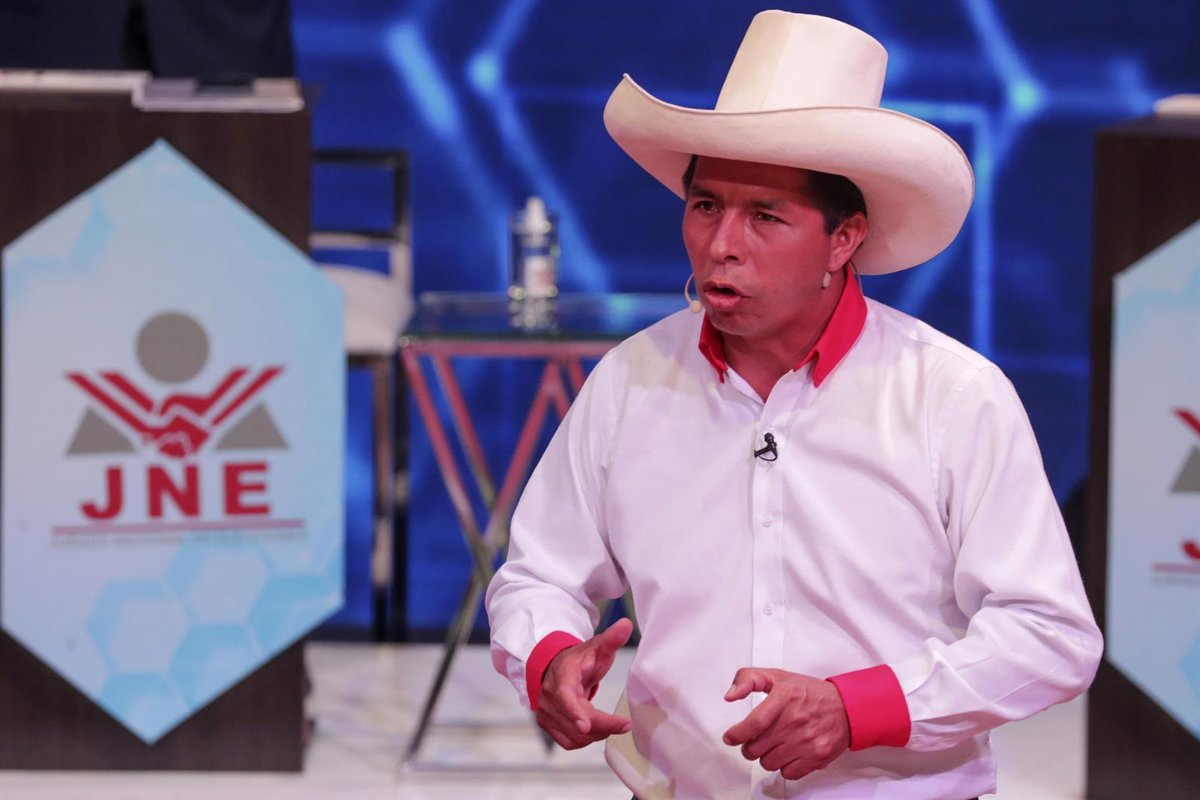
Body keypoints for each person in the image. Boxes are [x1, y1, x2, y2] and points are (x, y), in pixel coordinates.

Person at [486, 11, 1102, 799]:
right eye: (706, 206)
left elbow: (1050, 637)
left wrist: (859, 708)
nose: (721, 244)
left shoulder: (952, 396)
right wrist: (549, 659)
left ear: (844, 240)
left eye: (764, 217)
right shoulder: (632, 380)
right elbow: (539, 574)